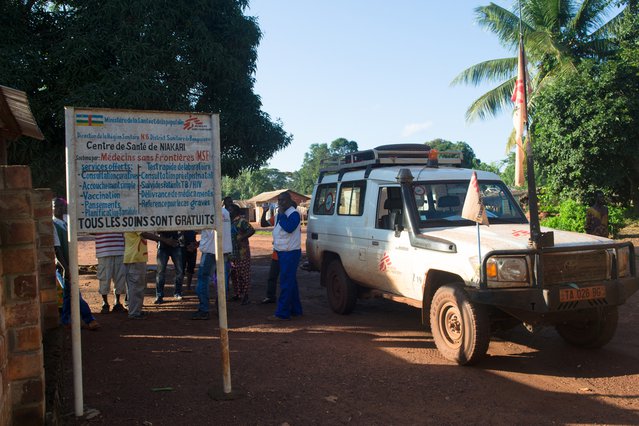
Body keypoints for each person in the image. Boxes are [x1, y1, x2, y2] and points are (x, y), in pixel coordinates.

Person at [52, 197, 100, 330]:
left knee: (68, 294)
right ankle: (89, 318)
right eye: (55, 206)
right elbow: (57, 250)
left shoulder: (66, 222)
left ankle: (65, 319)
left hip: (70, 264)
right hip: (63, 266)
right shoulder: (53, 225)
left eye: (60, 206)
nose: (58, 209)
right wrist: (66, 268)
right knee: (74, 293)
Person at [192, 206, 232, 320]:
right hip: (223, 250)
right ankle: (221, 308)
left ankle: (204, 309)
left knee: (203, 279)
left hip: (211, 251)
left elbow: (203, 230)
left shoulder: (208, 210)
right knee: (222, 280)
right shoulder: (225, 211)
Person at [268, 191, 303, 321]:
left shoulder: (293, 214)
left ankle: (282, 313)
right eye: (279, 200)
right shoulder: (281, 214)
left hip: (290, 252)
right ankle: (296, 310)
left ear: (289, 200)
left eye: (283, 200)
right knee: (291, 282)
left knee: (286, 283)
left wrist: (282, 216)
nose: (280, 203)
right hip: (282, 251)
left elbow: (289, 228)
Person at [123, 231, 172, 319]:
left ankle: (135, 310)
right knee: (136, 287)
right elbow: (144, 234)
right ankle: (134, 313)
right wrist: (163, 240)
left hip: (134, 257)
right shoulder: (135, 221)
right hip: (135, 258)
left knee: (135, 286)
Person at [228, 204, 255, 305]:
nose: (228, 211)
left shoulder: (242, 221)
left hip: (242, 252)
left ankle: (246, 296)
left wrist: (242, 237)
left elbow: (252, 230)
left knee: (244, 274)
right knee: (234, 274)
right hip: (233, 253)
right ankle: (237, 294)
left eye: (230, 210)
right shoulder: (229, 222)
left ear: (235, 211)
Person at [95, 232, 127, 313]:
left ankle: (117, 302)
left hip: (119, 249)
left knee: (120, 277)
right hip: (104, 250)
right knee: (104, 277)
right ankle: (105, 302)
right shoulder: (94, 218)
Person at [154, 231, 184, 304]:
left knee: (180, 270)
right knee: (160, 272)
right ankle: (159, 295)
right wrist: (162, 240)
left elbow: (183, 228)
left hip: (176, 245)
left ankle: (177, 292)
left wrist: (179, 238)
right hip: (162, 246)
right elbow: (156, 230)